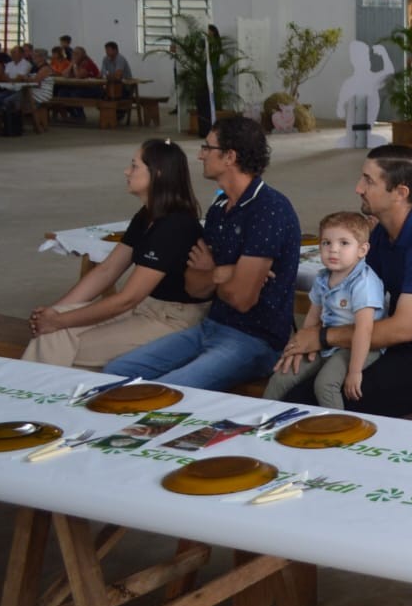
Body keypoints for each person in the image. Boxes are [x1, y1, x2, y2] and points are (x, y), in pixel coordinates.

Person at [280, 146, 412, 417]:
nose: (358, 188)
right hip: (390, 345)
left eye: (369, 181)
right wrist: (309, 339)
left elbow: (402, 330)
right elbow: (350, 290)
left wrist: (323, 337)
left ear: (400, 193)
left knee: (306, 401)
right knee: (288, 379)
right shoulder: (384, 233)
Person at [104, 118, 300, 389]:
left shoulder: (269, 209)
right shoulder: (219, 208)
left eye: (207, 148)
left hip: (255, 341)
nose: (200, 155)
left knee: (169, 391)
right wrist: (222, 273)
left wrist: (213, 275)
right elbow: (193, 287)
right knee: (115, 372)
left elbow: (242, 299)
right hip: (211, 327)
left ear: (230, 156)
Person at [23, 139, 208, 367]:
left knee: (60, 344)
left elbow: (127, 298)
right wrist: (53, 313)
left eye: (134, 166)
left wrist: (59, 320)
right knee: (53, 335)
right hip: (146, 307)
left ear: (158, 173)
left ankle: (35, 396)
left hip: (172, 319)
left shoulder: (174, 225)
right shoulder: (147, 215)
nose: (126, 171)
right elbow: (107, 271)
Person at [264, 212, 385, 409]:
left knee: (326, 384)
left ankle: (336, 429)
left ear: (362, 250)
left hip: (358, 346)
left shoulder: (364, 283)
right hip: (326, 339)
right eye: (326, 243)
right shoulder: (322, 278)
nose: (333, 250)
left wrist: (355, 371)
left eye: (344, 243)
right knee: (282, 376)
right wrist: (299, 347)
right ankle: (263, 421)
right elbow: (313, 316)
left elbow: (364, 330)